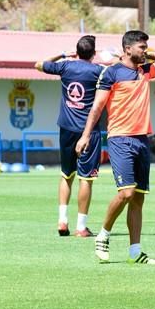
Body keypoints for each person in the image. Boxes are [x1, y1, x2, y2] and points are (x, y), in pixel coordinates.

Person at [75, 30, 155, 265]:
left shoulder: (146, 70)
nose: (145, 51)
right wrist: (85, 136)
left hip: (143, 139)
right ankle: (103, 235)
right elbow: (97, 107)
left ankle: (135, 252)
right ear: (127, 49)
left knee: (138, 198)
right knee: (127, 192)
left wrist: (149, 52)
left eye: (145, 47)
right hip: (120, 138)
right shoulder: (111, 73)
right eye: (141, 47)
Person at [35, 35, 103, 238]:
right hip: (87, 131)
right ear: (93, 53)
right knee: (86, 178)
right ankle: (81, 227)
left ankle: (62, 220)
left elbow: (39, 64)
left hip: (66, 129)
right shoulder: (98, 71)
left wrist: (64, 54)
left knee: (66, 175)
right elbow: (118, 71)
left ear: (76, 51)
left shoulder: (65, 67)